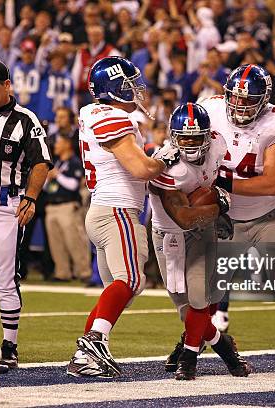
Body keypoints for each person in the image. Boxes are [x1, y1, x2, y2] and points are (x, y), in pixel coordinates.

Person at [170, 64, 275, 381]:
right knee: (204, 292)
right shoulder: (210, 108)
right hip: (223, 215)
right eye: (235, 98)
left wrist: (215, 184)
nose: (240, 106)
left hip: (266, 213)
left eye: (249, 101)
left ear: (264, 100)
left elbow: (270, 183)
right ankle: (188, 351)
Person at [66, 56, 180, 378]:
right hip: (117, 211)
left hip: (103, 209)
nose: (137, 91)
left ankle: (84, 354)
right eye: (130, 85)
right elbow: (141, 168)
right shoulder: (113, 117)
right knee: (130, 280)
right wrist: (165, 158)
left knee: (118, 289)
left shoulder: (95, 113)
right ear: (115, 89)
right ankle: (93, 343)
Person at [149, 102, 250, 380]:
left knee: (198, 298)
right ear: (173, 136)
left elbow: (214, 180)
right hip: (169, 234)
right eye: (185, 137)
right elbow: (183, 217)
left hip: (200, 233)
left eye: (196, 137)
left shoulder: (218, 145)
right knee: (185, 309)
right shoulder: (168, 167)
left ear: (208, 135)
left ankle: (189, 358)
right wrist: (219, 205)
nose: (191, 143)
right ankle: (224, 346)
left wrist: (215, 194)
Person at [0, 59, 52, 369]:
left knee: (4, 278)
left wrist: (31, 197)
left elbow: (40, 162)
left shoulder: (26, 119)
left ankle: (10, 344)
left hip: (7, 202)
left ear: (7, 85)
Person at [44, 134, 90, 282]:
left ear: (67, 145)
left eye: (59, 143)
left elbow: (73, 185)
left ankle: (83, 271)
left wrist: (57, 176)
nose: (55, 146)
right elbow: (46, 186)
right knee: (56, 243)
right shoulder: (56, 162)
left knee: (74, 241)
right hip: (51, 205)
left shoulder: (75, 163)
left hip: (68, 205)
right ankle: (62, 272)